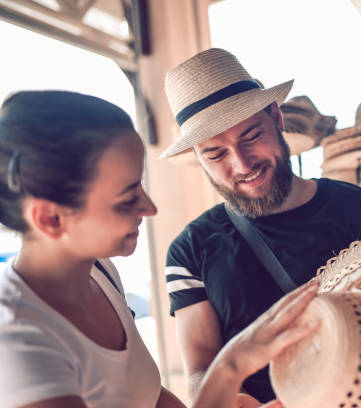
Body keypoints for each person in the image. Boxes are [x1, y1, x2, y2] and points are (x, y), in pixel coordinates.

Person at [0, 90, 320, 408]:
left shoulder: (98, 271)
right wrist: (229, 368)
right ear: (50, 218)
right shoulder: (17, 341)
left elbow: (151, 398)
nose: (150, 208)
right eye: (127, 198)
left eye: (141, 184)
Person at [161, 48, 361, 404]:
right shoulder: (189, 250)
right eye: (216, 153)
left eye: (251, 136)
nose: (242, 164)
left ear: (276, 117)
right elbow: (200, 369)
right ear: (197, 156)